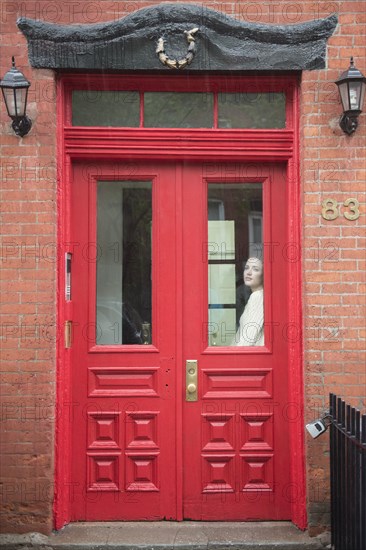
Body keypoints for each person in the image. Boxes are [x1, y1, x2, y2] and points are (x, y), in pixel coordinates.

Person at [233, 257, 264, 346]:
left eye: (255, 269)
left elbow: (247, 338)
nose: (249, 272)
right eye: (246, 268)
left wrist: (232, 358)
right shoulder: (255, 296)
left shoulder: (257, 297)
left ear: (263, 275)